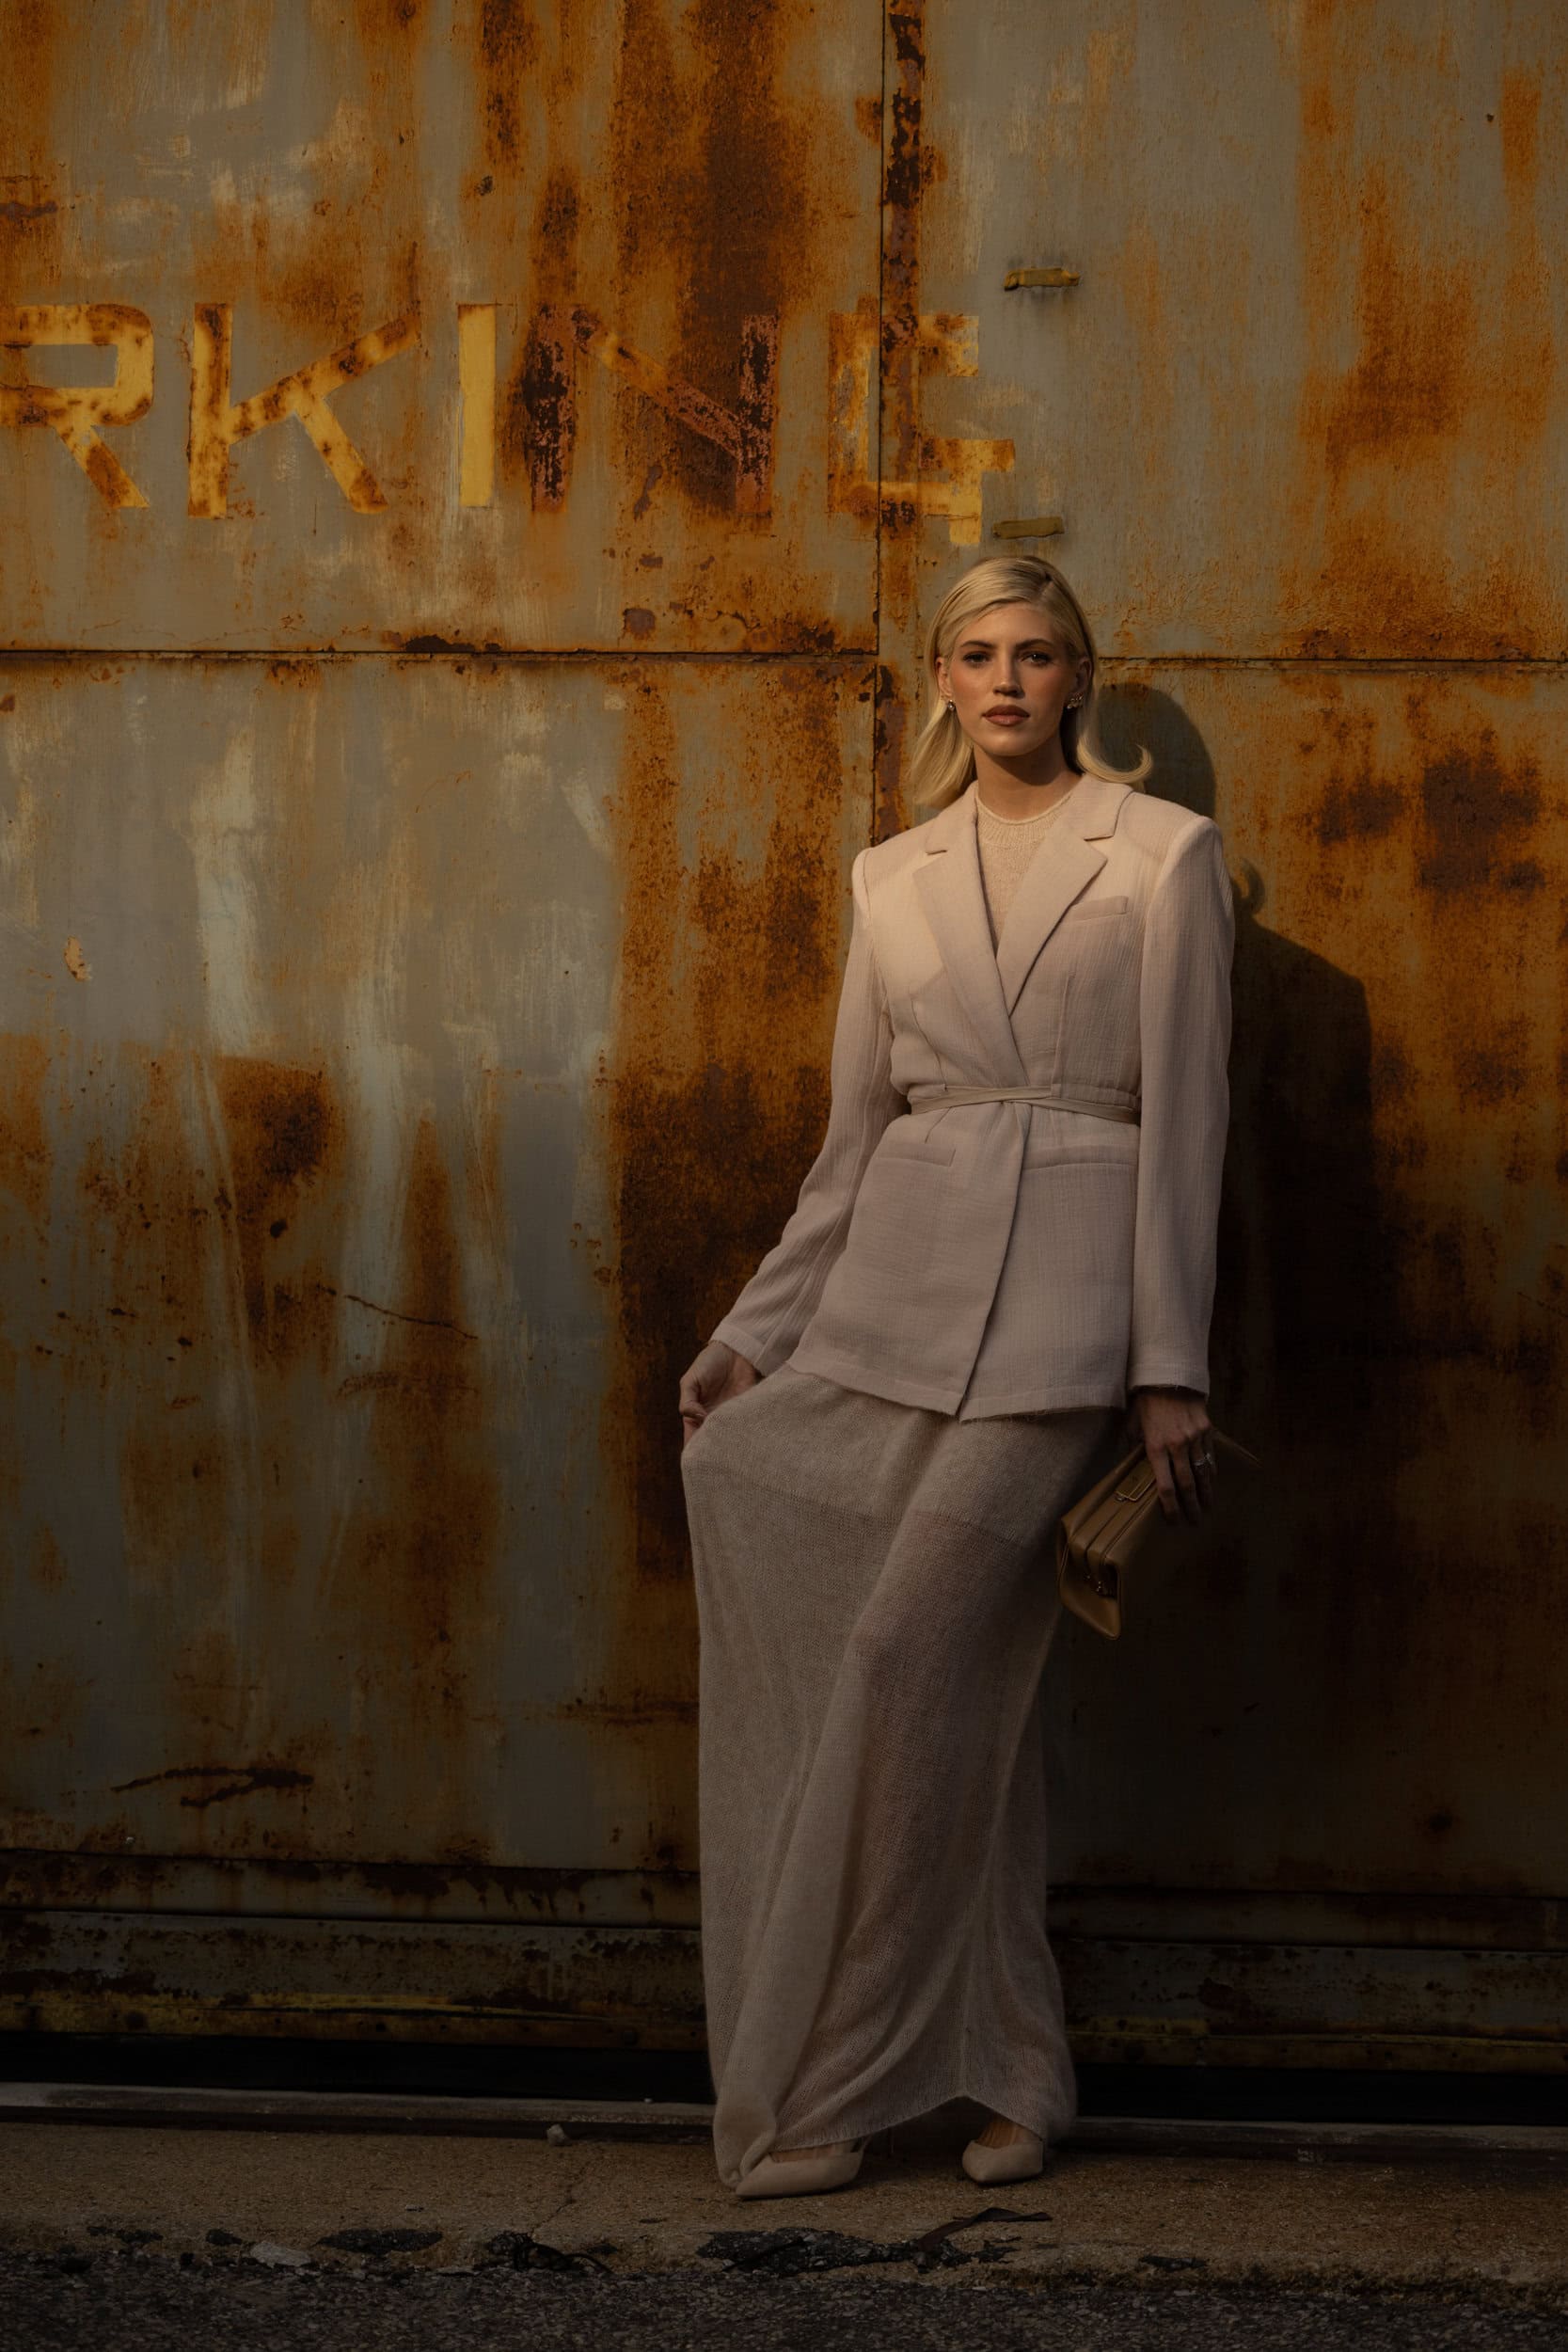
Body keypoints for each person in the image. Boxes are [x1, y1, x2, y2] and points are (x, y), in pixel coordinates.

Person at [677, 552, 1234, 2200]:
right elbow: (852, 1145)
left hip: (1066, 1331)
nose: (1007, 680)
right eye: (978, 654)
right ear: (939, 678)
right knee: (951, 1689)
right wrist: (754, 1333)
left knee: (905, 1663)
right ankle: (1017, 2068)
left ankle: (839, 2085)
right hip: (892, 1315)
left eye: (1037, 654)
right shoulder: (891, 876)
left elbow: (1189, 1130)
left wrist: (1169, 1366)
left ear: (1080, 678)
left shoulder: (1163, 855)